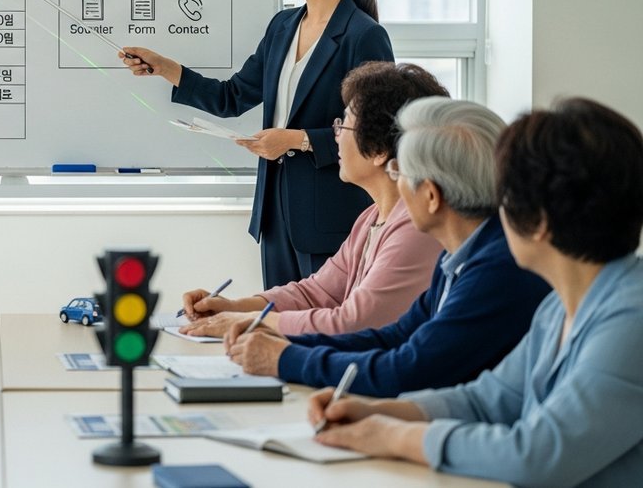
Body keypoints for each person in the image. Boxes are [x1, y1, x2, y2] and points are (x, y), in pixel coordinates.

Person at [310, 98, 643, 487]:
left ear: (537, 222)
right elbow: (486, 399)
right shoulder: (559, 307)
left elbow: (536, 455)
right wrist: (383, 413)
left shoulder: (630, 320)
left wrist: (394, 436)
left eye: (506, 198)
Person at [121, 0, 394, 288]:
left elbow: (376, 135)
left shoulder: (363, 36)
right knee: (278, 327)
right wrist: (166, 68)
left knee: (321, 333)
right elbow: (231, 97)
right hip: (275, 217)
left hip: (331, 221)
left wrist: (297, 141)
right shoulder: (282, 26)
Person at [224, 98, 550, 396]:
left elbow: (409, 368)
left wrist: (285, 358)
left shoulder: (496, 268)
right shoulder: (459, 255)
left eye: (399, 172)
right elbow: (395, 336)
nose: (396, 185)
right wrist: (286, 344)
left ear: (432, 196)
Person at [179, 62, 446, 339]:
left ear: (379, 150)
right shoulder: (373, 217)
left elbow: (352, 323)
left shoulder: (416, 227)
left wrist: (252, 322)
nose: (336, 136)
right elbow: (316, 292)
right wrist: (233, 308)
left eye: (344, 126)